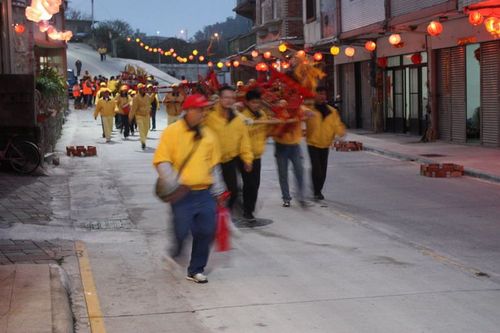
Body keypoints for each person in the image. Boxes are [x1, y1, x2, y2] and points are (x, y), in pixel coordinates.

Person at [153, 94, 225, 284]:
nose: (203, 114)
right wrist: (172, 184)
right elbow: (162, 160)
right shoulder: (172, 132)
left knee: (207, 231)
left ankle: (195, 270)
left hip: (205, 192)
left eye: (205, 110)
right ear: (189, 110)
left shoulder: (209, 135)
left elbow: (213, 165)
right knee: (181, 230)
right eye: (200, 110)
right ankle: (175, 253)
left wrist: (218, 191)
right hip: (182, 193)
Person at [204, 86, 253, 211]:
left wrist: (247, 159)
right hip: (210, 161)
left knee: (233, 192)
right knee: (209, 192)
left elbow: (244, 140)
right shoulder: (209, 115)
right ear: (219, 98)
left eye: (232, 98)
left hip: (229, 161)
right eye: (226, 97)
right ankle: (209, 217)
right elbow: (188, 118)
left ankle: (225, 216)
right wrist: (206, 105)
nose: (229, 100)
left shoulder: (238, 119)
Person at [305, 86, 346, 201]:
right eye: (320, 94)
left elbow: (337, 124)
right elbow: (299, 115)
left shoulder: (332, 111)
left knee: (323, 170)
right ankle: (316, 191)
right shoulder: (309, 109)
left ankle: (318, 190)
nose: (322, 96)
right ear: (315, 95)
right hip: (312, 143)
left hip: (325, 143)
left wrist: (341, 132)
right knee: (316, 168)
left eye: (324, 94)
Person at [238, 89, 270, 221]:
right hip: (245, 156)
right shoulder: (243, 117)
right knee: (249, 183)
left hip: (257, 155)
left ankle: (249, 208)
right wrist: (246, 158)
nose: (256, 105)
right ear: (247, 102)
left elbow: (266, 131)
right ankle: (247, 210)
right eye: (253, 102)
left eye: (258, 102)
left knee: (255, 184)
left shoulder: (262, 115)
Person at [273, 100, 307, 208]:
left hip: (295, 146)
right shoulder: (277, 112)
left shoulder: (298, 109)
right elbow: (272, 128)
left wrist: (308, 113)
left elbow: (307, 110)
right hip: (281, 146)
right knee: (283, 174)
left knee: (299, 171)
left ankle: (301, 196)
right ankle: (286, 198)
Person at [130, 83, 151, 150]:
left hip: (146, 115)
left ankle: (143, 139)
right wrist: (130, 117)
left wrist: (154, 93)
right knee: (141, 128)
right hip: (139, 115)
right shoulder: (136, 97)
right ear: (139, 89)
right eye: (142, 89)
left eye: (144, 88)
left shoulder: (147, 96)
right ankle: (143, 142)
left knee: (146, 129)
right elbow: (133, 108)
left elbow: (150, 102)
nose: (143, 90)